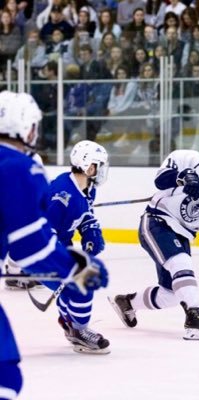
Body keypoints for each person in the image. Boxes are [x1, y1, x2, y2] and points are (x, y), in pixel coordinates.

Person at [0, 91, 108, 399]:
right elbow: (30, 247)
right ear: (22, 127)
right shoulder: (21, 166)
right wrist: (73, 270)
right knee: (5, 377)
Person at [110, 134, 199, 340]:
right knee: (181, 263)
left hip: (183, 233)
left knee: (170, 294)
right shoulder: (191, 159)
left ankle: (127, 303)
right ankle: (195, 318)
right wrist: (183, 178)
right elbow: (160, 179)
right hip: (158, 221)